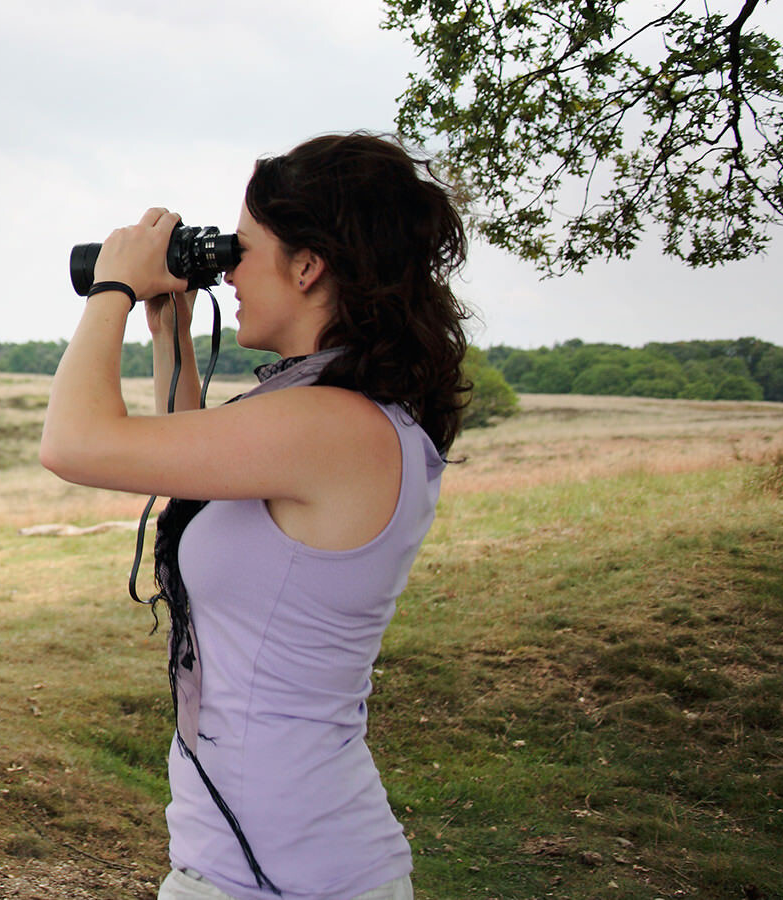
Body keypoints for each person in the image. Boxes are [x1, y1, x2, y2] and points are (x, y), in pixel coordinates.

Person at [38, 132, 470, 900]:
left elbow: (74, 444)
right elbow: (193, 477)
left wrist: (112, 289)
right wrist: (169, 331)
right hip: (269, 860)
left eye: (243, 247)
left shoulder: (332, 423)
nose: (228, 267)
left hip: (289, 876)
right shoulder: (336, 415)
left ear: (308, 265)